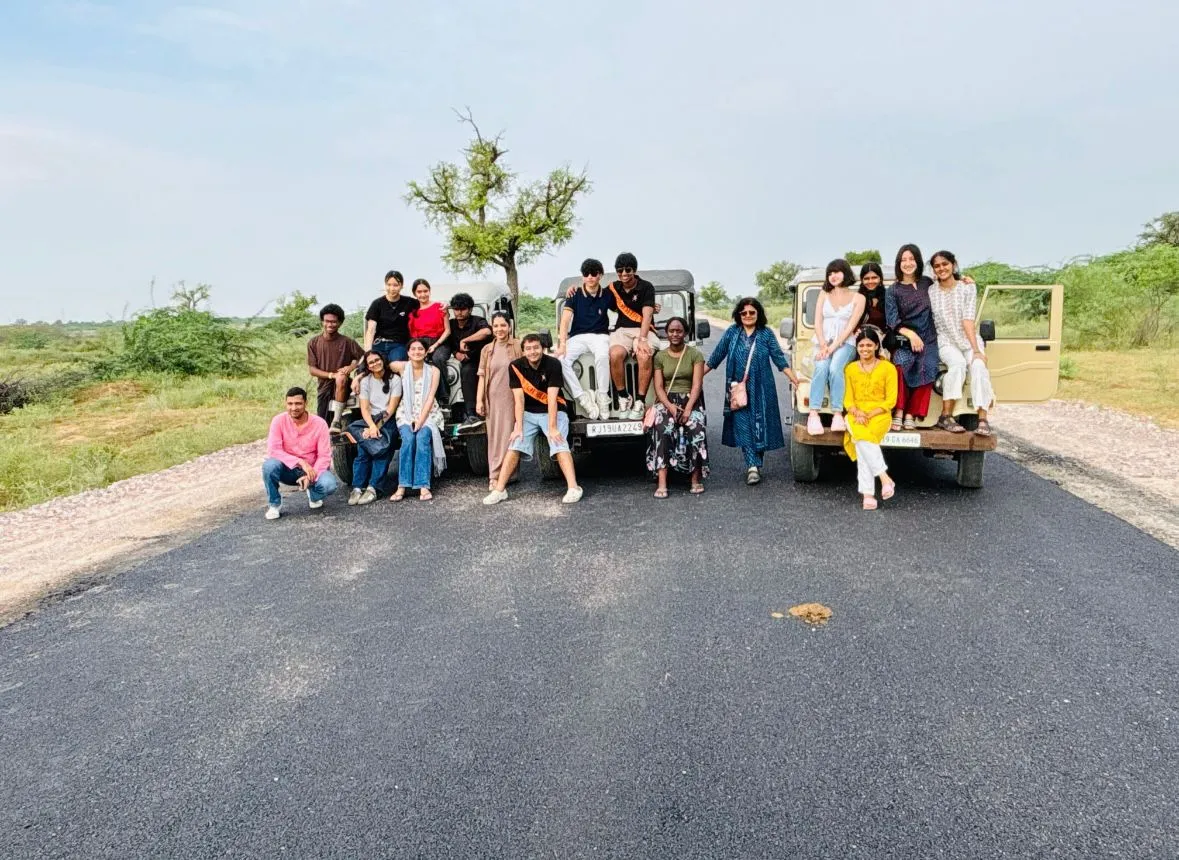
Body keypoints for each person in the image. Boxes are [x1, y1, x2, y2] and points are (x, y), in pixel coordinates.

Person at [704, 297, 800, 485]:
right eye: (744, 313)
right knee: (743, 425)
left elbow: (779, 358)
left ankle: (756, 461)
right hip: (737, 388)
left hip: (763, 388)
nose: (748, 316)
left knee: (760, 425)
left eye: (752, 312)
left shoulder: (765, 334)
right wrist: (698, 376)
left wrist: (794, 378)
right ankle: (752, 466)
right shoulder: (732, 332)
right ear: (738, 315)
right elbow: (716, 356)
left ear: (758, 314)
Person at [483, 334, 584, 505]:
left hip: (554, 411)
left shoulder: (553, 364)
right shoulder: (515, 366)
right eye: (528, 349)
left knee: (558, 442)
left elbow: (552, 398)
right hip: (529, 413)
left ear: (542, 348)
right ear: (523, 351)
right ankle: (500, 490)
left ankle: (574, 487)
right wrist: (518, 427)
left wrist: (552, 427)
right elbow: (519, 399)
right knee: (515, 443)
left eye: (536, 348)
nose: (533, 352)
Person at [929, 250, 995, 436]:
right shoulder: (931, 291)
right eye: (937, 266)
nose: (942, 268)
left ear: (953, 265)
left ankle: (982, 419)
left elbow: (968, 320)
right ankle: (946, 415)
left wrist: (976, 350)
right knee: (957, 365)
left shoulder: (967, 287)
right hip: (946, 340)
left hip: (968, 339)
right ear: (934, 270)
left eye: (945, 264)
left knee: (979, 367)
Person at [647, 316, 708, 497]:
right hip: (667, 400)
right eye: (672, 331)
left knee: (696, 428)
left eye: (679, 331)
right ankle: (662, 482)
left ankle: (695, 479)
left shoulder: (695, 354)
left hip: (691, 399)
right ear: (667, 333)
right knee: (662, 429)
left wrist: (689, 408)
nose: (675, 334)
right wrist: (670, 407)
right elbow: (658, 387)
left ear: (685, 333)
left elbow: (697, 384)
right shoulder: (660, 357)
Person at [806, 259, 865, 436]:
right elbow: (818, 321)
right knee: (821, 367)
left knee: (835, 368)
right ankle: (813, 412)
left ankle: (837, 412)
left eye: (837, 272)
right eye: (830, 273)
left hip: (845, 343)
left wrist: (831, 349)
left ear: (845, 273)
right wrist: (823, 344)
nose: (833, 276)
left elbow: (849, 327)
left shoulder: (858, 298)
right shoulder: (824, 294)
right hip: (823, 341)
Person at [885, 244, 940, 431]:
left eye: (911, 259)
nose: (908, 263)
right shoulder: (893, 290)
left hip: (929, 338)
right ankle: (899, 411)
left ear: (917, 261)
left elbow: (948, 284)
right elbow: (892, 320)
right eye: (903, 260)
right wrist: (911, 335)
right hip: (905, 338)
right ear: (898, 263)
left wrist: (964, 279)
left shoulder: (928, 283)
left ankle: (911, 413)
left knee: (929, 367)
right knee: (901, 365)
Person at [842, 328, 898, 510]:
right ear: (857, 347)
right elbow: (848, 399)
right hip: (855, 414)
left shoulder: (888, 368)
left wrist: (871, 414)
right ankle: (884, 478)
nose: (865, 349)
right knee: (863, 439)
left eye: (869, 345)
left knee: (862, 443)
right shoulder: (850, 369)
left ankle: (868, 495)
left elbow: (891, 400)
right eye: (861, 345)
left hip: (880, 415)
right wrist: (856, 412)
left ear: (876, 346)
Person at [262, 387, 338, 519]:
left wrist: (310, 476)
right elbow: (274, 450)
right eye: (290, 404)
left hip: (312, 470)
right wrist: (300, 462)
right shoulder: (278, 421)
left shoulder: (320, 424)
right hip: (288, 469)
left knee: (329, 484)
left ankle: (314, 494)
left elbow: (324, 456)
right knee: (269, 465)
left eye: (298, 403)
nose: (294, 407)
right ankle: (274, 504)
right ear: (285, 404)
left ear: (306, 403)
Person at [555, 258, 613, 420]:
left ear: (600, 275)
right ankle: (582, 397)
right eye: (586, 274)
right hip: (578, 336)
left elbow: (625, 307)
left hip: (600, 335)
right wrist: (562, 344)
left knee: (602, 356)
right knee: (561, 359)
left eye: (593, 274)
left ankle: (602, 396)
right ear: (582, 276)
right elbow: (565, 320)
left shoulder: (608, 295)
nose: (590, 277)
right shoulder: (575, 294)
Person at [389, 339, 446, 501]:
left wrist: (420, 421)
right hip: (405, 412)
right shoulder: (402, 367)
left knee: (422, 438)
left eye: (420, 349)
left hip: (428, 413)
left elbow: (430, 398)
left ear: (426, 352)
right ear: (407, 353)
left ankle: (423, 485)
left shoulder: (434, 371)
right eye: (412, 349)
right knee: (408, 439)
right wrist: (359, 378)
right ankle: (402, 485)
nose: (416, 352)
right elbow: (381, 366)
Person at [605, 252, 658, 419]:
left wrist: (642, 339)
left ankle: (640, 401)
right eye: (620, 270)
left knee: (643, 354)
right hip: (622, 330)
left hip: (644, 329)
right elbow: (593, 294)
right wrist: (575, 290)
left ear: (634, 270)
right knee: (614, 354)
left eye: (628, 270)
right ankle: (623, 396)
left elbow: (647, 315)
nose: (624, 274)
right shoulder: (614, 288)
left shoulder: (646, 287)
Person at [345, 351, 401, 506]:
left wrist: (377, 427)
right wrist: (370, 426)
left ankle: (374, 488)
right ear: (367, 367)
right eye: (371, 362)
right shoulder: (366, 381)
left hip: (388, 419)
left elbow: (391, 407)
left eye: (377, 360)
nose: (375, 363)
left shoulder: (394, 379)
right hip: (369, 419)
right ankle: (357, 487)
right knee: (363, 451)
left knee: (381, 450)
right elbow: (364, 408)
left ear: (383, 360)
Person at [475, 311, 523, 490]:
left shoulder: (518, 345)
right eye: (495, 326)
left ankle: (511, 473)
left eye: (503, 325)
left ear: (509, 326)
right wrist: (479, 400)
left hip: (513, 398)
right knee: (494, 437)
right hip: (493, 397)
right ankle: (494, 475)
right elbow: (481, 376)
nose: (499, 329)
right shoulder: (487, 350)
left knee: (511, 434)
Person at [306, 303, 363, 431]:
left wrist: (352, 366)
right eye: (327, 321)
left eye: (334, 322)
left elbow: (365, 357)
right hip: (324, 388)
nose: (330, 325)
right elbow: (312, 369)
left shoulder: (348, 342)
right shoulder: (314, 343)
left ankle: (337, 421)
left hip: (344, 386)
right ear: (322, 321)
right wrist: (332, 375)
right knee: (323, 427)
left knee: (341, 378)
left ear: (340, 323)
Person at [444, 292, 493, 427]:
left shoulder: (477, 320)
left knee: (468, 372)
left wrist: (466, 340)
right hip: (460, 361)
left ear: (470, 309)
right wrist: (456, 353)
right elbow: (448, 342)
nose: (459, 312)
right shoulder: (451, 324)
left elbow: (487, 332)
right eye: (456, 309)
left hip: (480, 359)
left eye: (463, 309)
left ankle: (472, 414)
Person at [408, 278, 453, 407]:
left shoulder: (440, 307)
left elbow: (447, 331)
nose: (423, 294)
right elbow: (412, 334)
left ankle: (444, 397)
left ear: (429, 291)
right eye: (419, 292)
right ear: (415, 293)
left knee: (438, 359)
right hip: (420, 343)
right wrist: (419, 348)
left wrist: (435, 345)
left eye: (425, 291)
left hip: (440, 342)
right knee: (417, 363)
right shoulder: (413, 312)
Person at [363, 270, 417, 363]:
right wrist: (368, 352)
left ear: (401, 286)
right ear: (385, 285)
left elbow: (426, 305)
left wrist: (443, 305)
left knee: (396, 364)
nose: (392, 288)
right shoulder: (377, 304)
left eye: (395, 285)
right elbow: (371, 330)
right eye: (389, 285)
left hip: (399, 344)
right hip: (379, 343)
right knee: (370, 366)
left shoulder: (409, 302)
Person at [858, 262, 888, 334]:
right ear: (862, 280)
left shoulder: (888, 296)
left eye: (874, 278)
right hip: (861, 338)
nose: (870, 281)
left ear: (880, 278)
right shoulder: (857, 298)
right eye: (866, 278)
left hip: (883, 338)